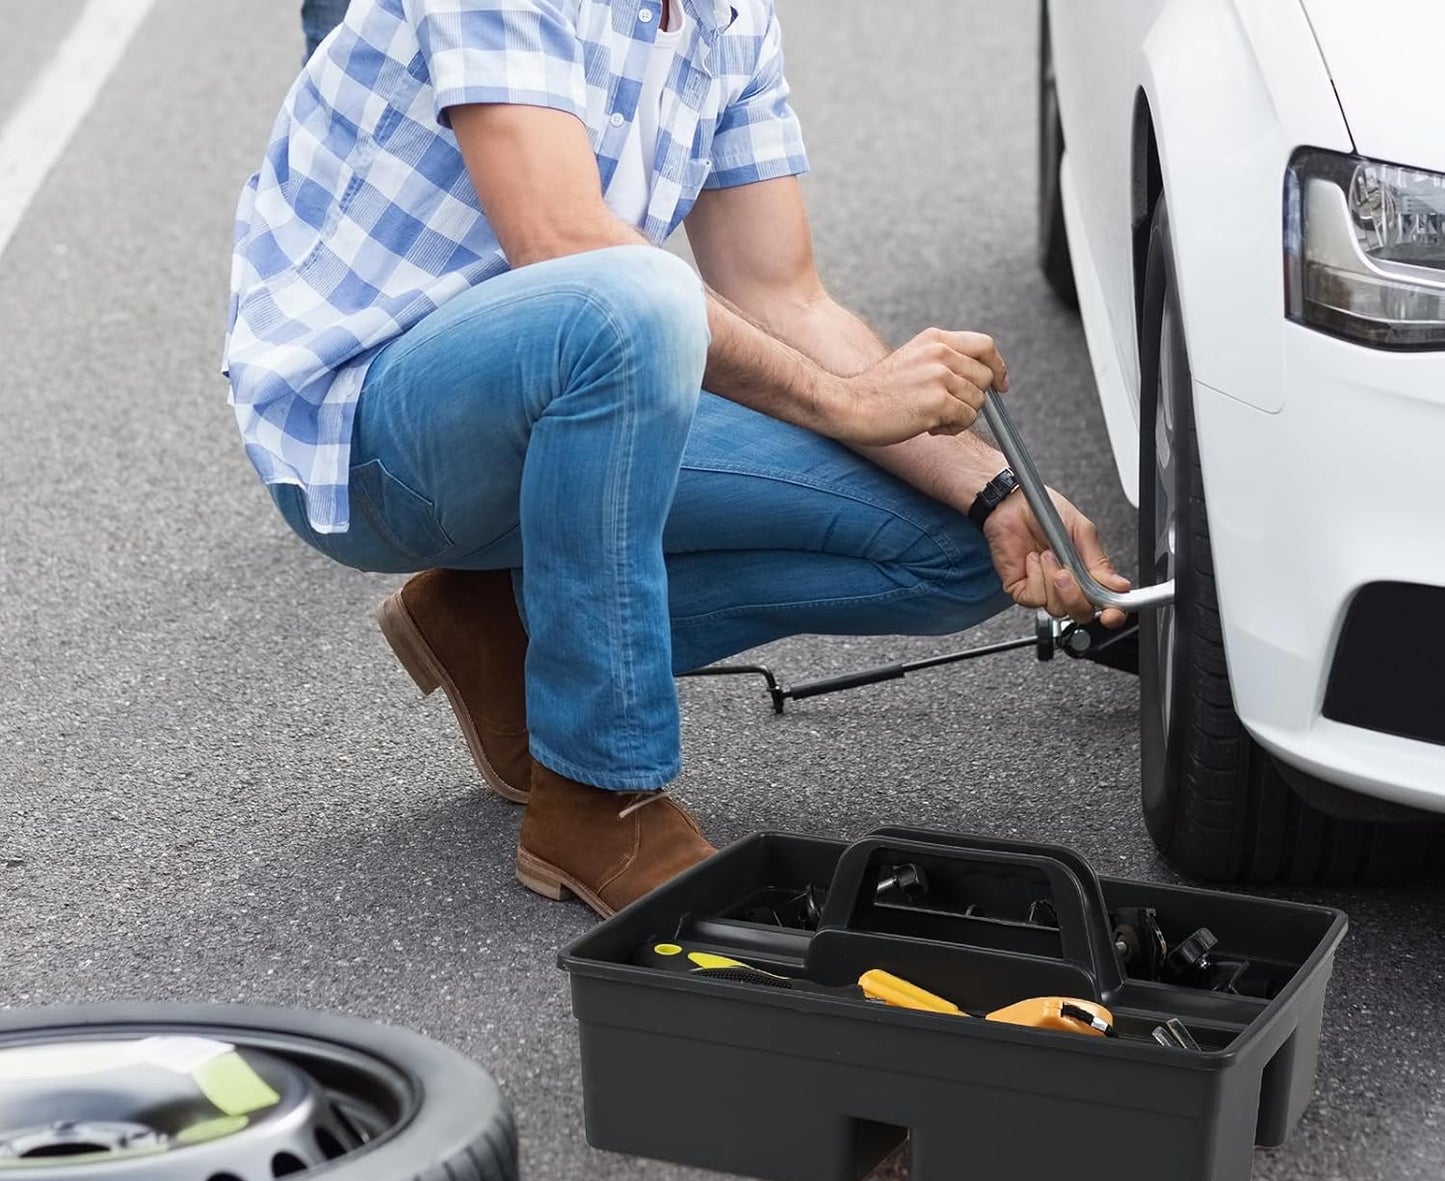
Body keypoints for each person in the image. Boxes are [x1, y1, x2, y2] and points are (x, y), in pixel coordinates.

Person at [224, 0, 1129, 919]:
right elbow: (563, 239)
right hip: (374, 430)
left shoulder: (726, 17)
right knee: (632, 301)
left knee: (959, 546)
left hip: (578, 383)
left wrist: (999, 490)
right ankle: (595, 794)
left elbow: (784, 299)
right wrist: (846, 403)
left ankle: (505, 622)